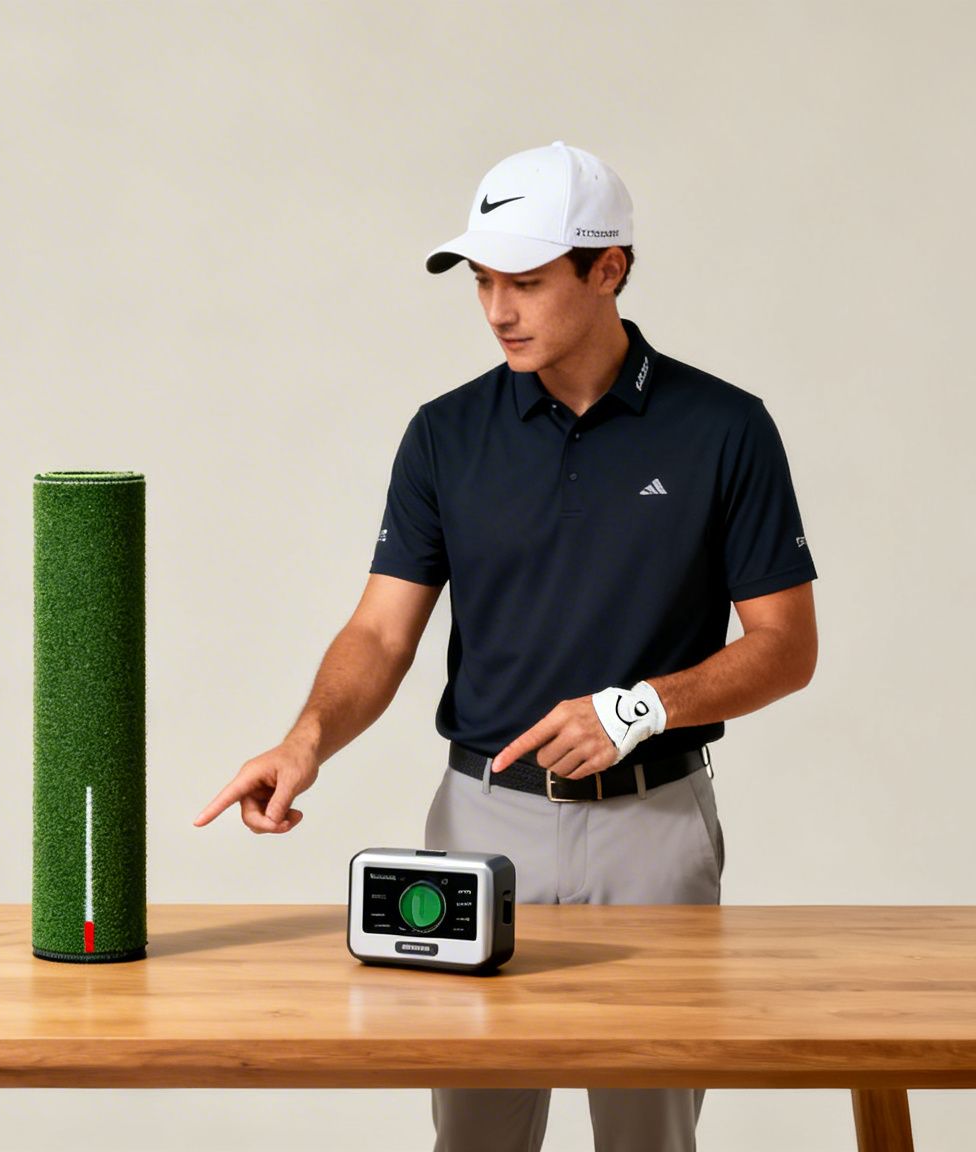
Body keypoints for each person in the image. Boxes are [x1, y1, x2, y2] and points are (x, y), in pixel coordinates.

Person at [195, 140, 819, 1152]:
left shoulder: (723, 429)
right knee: (475, 1138)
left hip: (652, 830)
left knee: (647, 1138)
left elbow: (784, 647)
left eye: (524, 281)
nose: (496, 310)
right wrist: (304, 740)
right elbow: (378, 631)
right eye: (481, 281)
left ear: (606, 267)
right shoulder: (444, 436)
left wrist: (641, 707)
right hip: (477, 826)